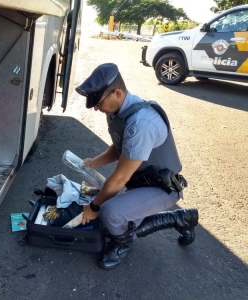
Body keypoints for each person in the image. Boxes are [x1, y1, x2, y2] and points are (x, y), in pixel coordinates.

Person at [75, 63, 199, 270]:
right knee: (120, 217)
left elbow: (120, 178)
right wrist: (97, 161)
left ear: (117, 93)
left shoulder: (141, 123)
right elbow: (120, 147)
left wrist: (94, 207)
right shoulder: (118, 111)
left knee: (110, 214)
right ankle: (183, 218)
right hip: (143, 182)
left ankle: (123, 245)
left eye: (98, 102)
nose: (96, 108)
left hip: (162, 189)